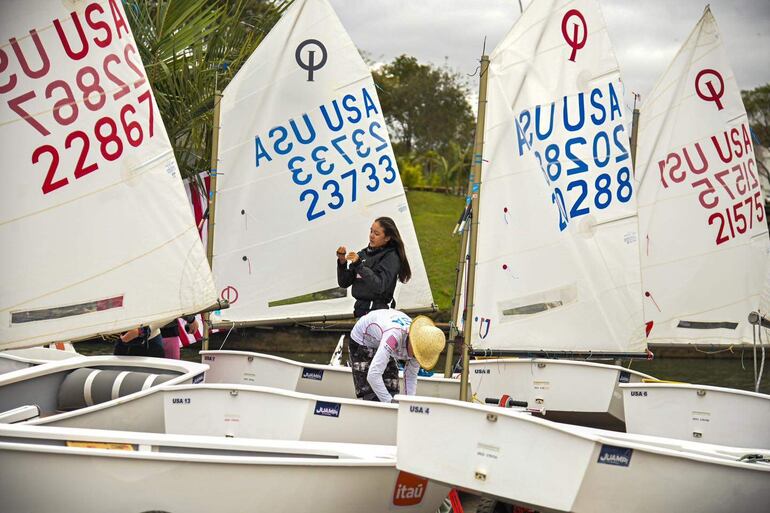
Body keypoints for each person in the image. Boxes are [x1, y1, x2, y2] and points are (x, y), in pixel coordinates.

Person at [349, 309, 446, 403]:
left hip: (383, 337)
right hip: (362, 339)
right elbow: (373, 375)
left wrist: (409, 405)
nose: (416, 358)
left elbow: (410, 376)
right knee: (372, 394)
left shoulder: (424, 346)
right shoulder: (393, 337)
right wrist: (389, 402)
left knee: (393, 388)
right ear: (412, 341)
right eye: (416, 353)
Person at [337, 217, 412, 318]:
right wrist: (342, 262)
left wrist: (359, 266)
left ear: (387, 238)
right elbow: (344, 283)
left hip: (380, 314)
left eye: (376, 234)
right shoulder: (362, 254)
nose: (371, 236)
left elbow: (379, 286)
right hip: (360, 312)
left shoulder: (391, 257)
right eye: (371, 231)